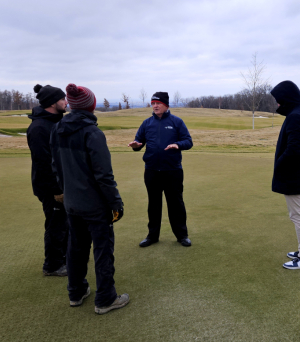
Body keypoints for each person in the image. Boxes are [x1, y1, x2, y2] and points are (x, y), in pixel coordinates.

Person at [50, 83, 129, 314]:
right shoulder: (93, 133)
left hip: (72, 203)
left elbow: (56, 167)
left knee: (76, 247)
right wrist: (116, 203)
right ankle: (105, 298)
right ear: (91, 105)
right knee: (103, 250)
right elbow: (104, 176)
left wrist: (67, 193)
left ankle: (76, 292)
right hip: (95, 206)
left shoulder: (57, 129)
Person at [128, 92, 193, 247]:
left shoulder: (176, 122)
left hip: (172, 170)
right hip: (151, 170)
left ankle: (182, 235)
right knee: (154, 204)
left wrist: (178, 145)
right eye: (153, 103)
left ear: (166, 105)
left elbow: (188, 141)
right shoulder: (147, 123)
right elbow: (139, 142)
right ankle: (152, 236)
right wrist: (136, 146)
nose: (155, 106)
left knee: (176, 204)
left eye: (158, 103)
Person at [271, 80, 300, 270]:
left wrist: (278, 166)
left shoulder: (296, 116)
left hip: (294, 175)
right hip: (297, 173)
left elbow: (293, 150)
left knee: (298, 215)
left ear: (287, 98)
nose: (278, 105)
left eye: (279, 101)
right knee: (298, 214)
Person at [27, 84, 68, 277]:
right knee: (56, 225)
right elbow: (44, 163)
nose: (66, 101)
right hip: (50, 188)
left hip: (61, 184)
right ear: (53, 103)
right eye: (63, 99)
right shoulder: (39, 128)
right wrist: (57, 189)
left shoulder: (55, 122)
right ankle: (52, 265)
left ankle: (64, 258)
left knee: (64, 223)